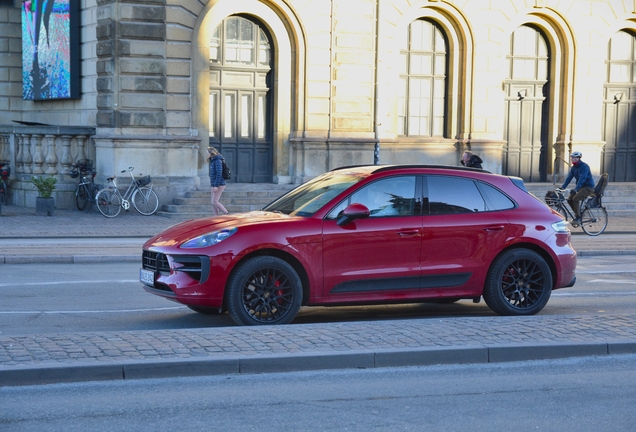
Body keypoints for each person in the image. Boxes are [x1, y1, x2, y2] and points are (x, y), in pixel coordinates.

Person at [561, 151, 595, 224]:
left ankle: (578, 218)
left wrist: (576, 189)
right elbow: (569, 178)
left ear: (578, 158)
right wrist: (562, 187)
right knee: (569, 199)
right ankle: (578, 213)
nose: (572, 159)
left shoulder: (584, 166)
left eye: (574, 158)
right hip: (581, 187)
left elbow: (582, 179)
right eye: (572, 157)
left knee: (576, 198)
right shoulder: (574, 168)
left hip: (588, 187)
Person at [207, 146, 229, 215]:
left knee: (214, 202)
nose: (206, 154)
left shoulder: (217, 160)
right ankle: (216, 217)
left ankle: (226, 213)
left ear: (211, 153)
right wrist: (213, 185)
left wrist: (216, 186)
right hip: (214, 184)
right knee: (213, 203)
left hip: (219, 184)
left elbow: (219, 173)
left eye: (207, 153)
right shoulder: (213, 160)